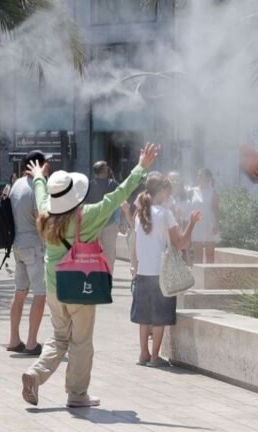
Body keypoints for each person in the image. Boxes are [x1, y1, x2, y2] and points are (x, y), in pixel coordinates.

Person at [21, 143, 159, 409]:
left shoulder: (46, 212)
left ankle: (35, 374)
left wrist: (39, 177)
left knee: (60, 337)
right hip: (80, 285)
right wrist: (142, 166)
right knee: (81, 341)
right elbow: (119, 195)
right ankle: (76, 394)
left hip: (53, 286)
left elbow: (40, 192)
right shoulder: (90, 215)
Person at [133, 172, 202, 367]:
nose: (170, 196)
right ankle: (155, 357)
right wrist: (191, 223)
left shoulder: (141, 213)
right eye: (168, 192)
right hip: (161, 274)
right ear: (162, 191)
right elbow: (180, 243)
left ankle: (143, 354)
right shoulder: (165, 214)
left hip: (143, 272)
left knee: (144, 317)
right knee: (160, 317)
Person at [7, 151, 48, 356]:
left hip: (17, 244)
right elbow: (40, 216)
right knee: (40, 294)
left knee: (20, 291)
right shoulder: (37, 187)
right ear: (40, 166)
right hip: (34, 244)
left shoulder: (17, 184)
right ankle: (32, 342)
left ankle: (14, 339)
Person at [84, 161, 120, 272]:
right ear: (105, 170)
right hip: (110, 223)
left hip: (94, 224)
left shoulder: (89, 185)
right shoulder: (112, 184)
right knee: (109, 253)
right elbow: (120, 200)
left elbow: (84, 204)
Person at [190, 168, 219, 264]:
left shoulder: (213, 192)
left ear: (207, 178)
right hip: (197, 224)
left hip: (209, 223)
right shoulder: (192, 191)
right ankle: (198, 277)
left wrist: (217, 224)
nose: (198, 177)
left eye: (200, 175)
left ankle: (210, 275)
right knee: (198, 252)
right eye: (198, 175)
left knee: (210, 253)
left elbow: (216, 210)